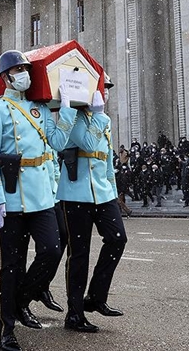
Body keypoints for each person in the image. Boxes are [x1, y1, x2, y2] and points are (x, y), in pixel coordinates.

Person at [0, 50, 78, 351]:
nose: (23, 73)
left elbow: (58, 143)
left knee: (51, 248)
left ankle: (22, 300)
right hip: (10, 197)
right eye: (17, 69)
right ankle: (6, 330)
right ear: (6, 76)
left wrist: (69, 108)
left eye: (26, 68)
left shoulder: (39, 108)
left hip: (40, 195)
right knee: (10, 265)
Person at [56, 74, 127, 333]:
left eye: (107, 89)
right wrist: (100, 116)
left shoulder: (100, 118)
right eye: (101, 89)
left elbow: (106, 158)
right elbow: (86, 142)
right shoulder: (74, 117)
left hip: (103, 193)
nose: (105, 93)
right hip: (76, 195)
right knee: (79, 254)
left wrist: (115, 193)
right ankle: (74, 314)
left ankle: (96, 298)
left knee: (117, 239)